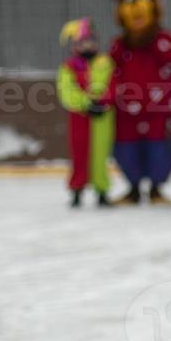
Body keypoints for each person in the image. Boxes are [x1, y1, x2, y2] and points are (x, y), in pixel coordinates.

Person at [107, 0, 171, 206]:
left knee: (160, 148)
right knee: (126, 149)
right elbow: (110, 69)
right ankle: (133, 189)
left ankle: (156, 189)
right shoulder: (120, 45)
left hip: (158, 111)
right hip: (126, 112)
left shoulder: (163, 40)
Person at [55, 18, 113, 208]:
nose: (88, 46)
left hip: (102, 118)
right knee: (79, 153)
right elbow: (67, 91)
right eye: (83, 43)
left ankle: (102, 190)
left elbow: (114, 85)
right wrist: (86, 103)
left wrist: (104, 102)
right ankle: (77, 190)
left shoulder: (106, 63)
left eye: (91, 41)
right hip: (80, 117)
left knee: (100, 155)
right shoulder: (68, 67)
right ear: (75, 46)